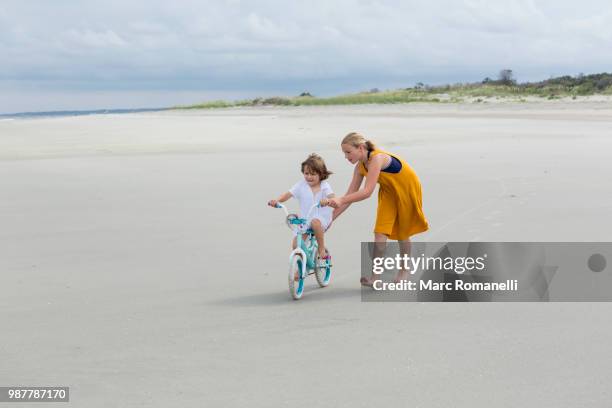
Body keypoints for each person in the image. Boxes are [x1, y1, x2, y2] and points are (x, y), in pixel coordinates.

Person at [326, 132, 429, 285]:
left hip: (407, 189)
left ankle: (404, 270)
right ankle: (375, 277)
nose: (346, 157)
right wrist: (329, 219)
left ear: (360, 148)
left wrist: (340, 199)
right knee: (380, 233)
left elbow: (367, 192)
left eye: (348, 152)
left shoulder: (376, 158)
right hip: (388, 192)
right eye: (344, 153)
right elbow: (350, 196)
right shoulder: (360, 167)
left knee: (403, 232)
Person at [268, 153, 335, 271]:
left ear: (321, 174)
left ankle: (321, 248)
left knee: (315, 222)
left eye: (313, 174)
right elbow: (287, 194)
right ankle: (302, 267)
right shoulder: (301, 185)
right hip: (306, 219)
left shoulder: (325, 186)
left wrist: (328, 200)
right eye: (306, 173)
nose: (309, 177)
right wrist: (277, 201)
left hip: (322, 218)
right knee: (296, 244)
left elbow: (333, 197)